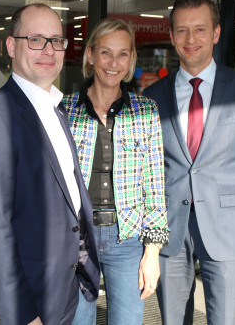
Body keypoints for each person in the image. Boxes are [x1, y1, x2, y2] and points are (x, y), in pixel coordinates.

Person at [0, 4, 100, 325]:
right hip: (27, 301)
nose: (48, 50)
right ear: (11, 46)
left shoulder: (57, 110)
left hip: (65, 288)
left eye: (57, 40)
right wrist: (22, 313)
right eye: (35, 39)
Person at [143, 0, 235, 324]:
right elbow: (147, 174)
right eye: (183, 30)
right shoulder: (151, 97)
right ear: (172, 36)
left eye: (200, 29)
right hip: (169, 232)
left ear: (216, 33)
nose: (191, 39)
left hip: (229, 232)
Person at [62, 18, 169, 325]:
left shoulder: (146, 111)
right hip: (77, 239)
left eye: (123, 54)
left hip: (128, 239)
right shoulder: (66, 110)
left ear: (132, 58)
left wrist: (152, 253)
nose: (114, 63)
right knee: (77, 321)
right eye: (106, 52)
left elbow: (155, 187)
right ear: (91, 55)